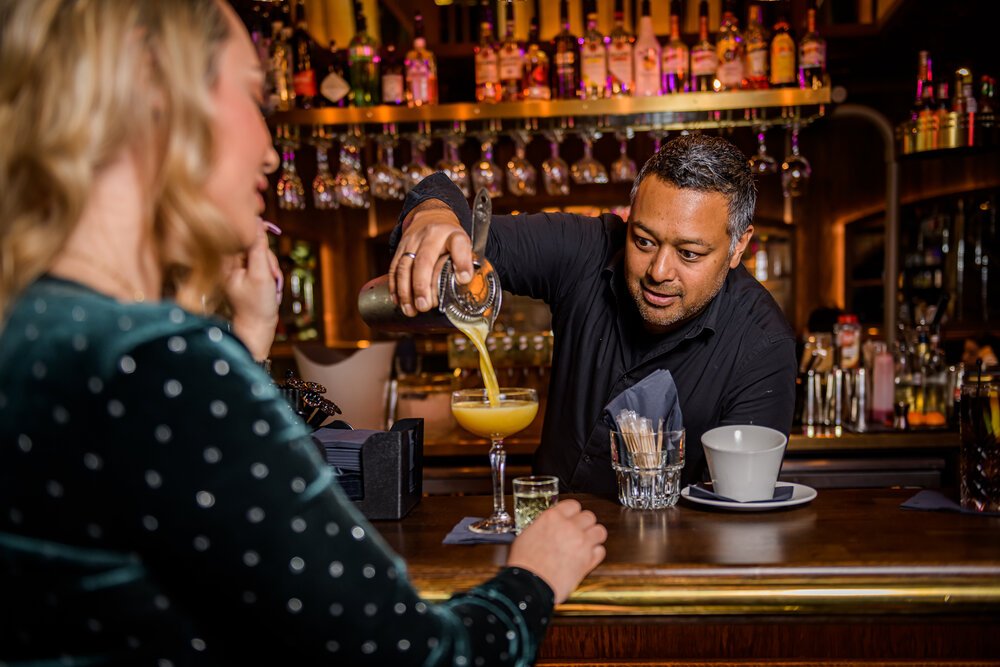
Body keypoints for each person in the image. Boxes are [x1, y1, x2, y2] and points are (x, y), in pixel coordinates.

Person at [0, 1, 607, 664]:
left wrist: (248, 333)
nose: (270, 148)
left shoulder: (29, 331)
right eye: (254, 96)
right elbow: (418, 657)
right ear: (155, 93)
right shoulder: (159, 363)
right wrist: (533, 578)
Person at [390, 134, 798, 495]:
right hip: (548, 541)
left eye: (689, 253)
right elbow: (471, 234)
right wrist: (434, 216)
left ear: (738, 246)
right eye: (643, 240)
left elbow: (741, 503)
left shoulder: (761, 345)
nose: (658, 271)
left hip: (670, 556)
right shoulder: (587, 248)